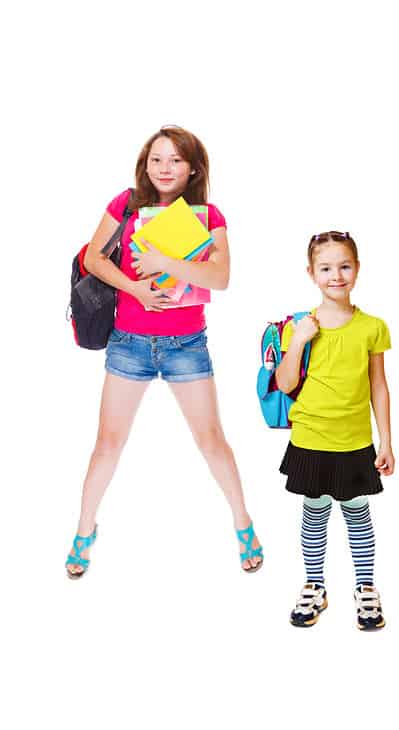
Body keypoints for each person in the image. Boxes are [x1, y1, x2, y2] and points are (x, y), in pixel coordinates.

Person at [66, 126, 263, 578]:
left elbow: (220, 277)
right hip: (129, 343)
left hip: (186, 345)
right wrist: (135, 285)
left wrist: (163, 264)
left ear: (193, 167)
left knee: (211, 441)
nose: (164, 169)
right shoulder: (127, 203)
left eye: (174, 160)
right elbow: (94, 259)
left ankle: (243, 522)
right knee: (107, 445)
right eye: (157, 160)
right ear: (145, 164)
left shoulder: (209, 215)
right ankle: (83, 529)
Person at [276, 231, 394, 631]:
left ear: (357, 270)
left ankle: (365, 588)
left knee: (357, 512)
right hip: (309, 437)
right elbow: (287, 383)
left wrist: (387, 441)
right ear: (311, 273)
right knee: (314, 511)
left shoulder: (373, 327)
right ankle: (314, 586)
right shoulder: (300, 325)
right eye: (326, 268)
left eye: (344, 266)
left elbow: (379, 385)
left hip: (355, 440)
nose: (336, 275)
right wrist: (298, 341)